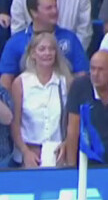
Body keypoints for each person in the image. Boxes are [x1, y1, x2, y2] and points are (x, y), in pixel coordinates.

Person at [10, 32, 74, 168]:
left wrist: (67, 143)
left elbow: (72, 121)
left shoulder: (65, 82)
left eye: (51, 49)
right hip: (29, 153)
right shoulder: (21, 83)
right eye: (42, 49)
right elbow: (15, 123)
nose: (47, 53)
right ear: (33, 54)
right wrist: (25, 152)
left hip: (57, 153)